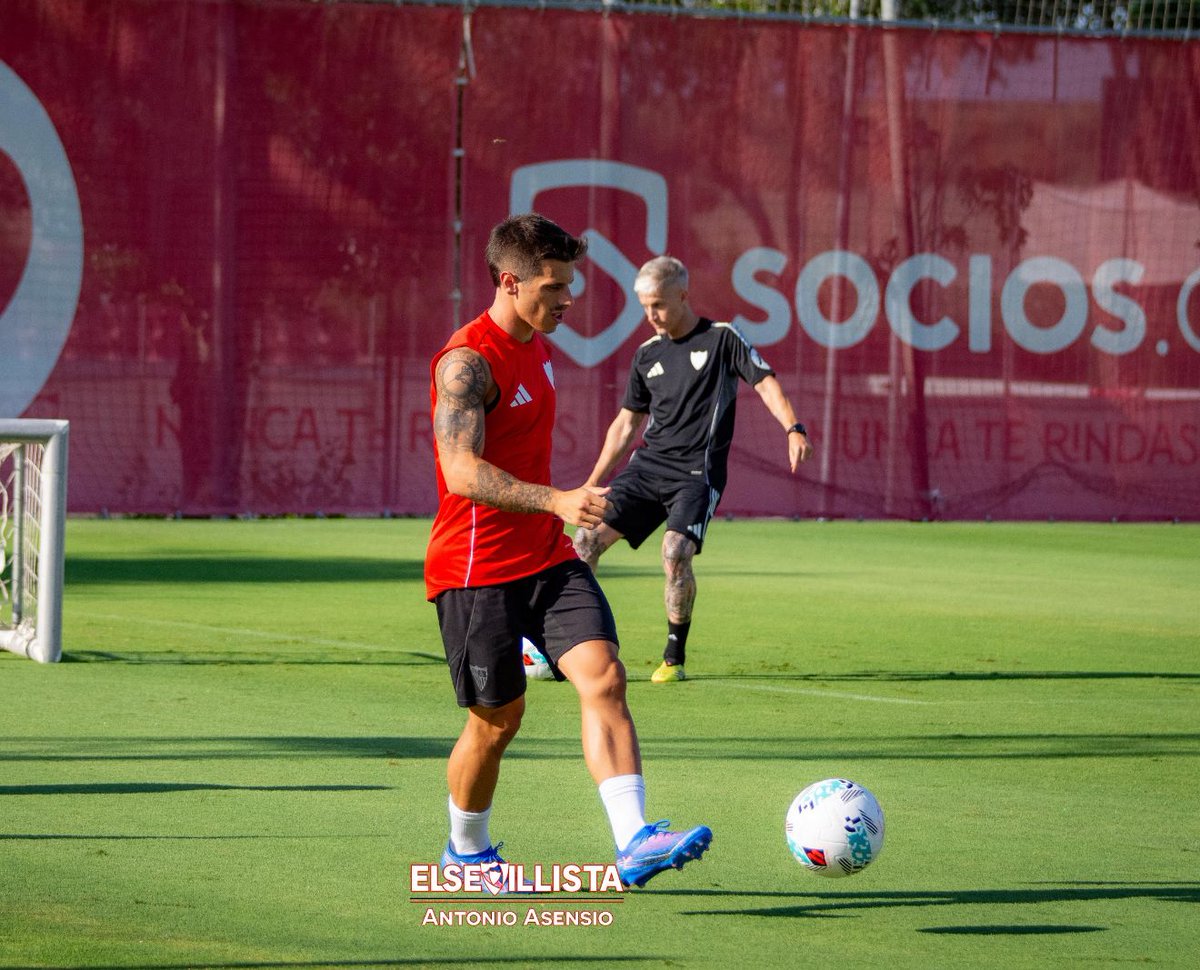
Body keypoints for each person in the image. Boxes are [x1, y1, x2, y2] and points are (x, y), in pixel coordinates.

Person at [425, 215, 712, 889]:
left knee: (605, 677)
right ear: (509, 281)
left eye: (570, 284)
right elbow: (461, 472)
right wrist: (556, 499)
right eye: (554, 286)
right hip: (475, 569)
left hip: (547, 559)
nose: (568, 298)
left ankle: (635, 840)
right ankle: (466, 853)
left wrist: (558, 512)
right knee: (497, 721)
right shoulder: (466, 362)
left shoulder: (538, 345)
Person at [573, 255, 814, 683]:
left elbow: (764, 382)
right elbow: (626, 424)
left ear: (683, 295)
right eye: (645, 306)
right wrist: (592, 483)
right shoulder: (647, 354)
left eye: (659, 305)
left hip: (695, 475)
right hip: (647, 469)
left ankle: (672, 657)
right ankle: (581, 644)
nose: (651, 316)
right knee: (584, 543)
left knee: (675, 552)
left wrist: (793, 428)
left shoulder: (723, 339)